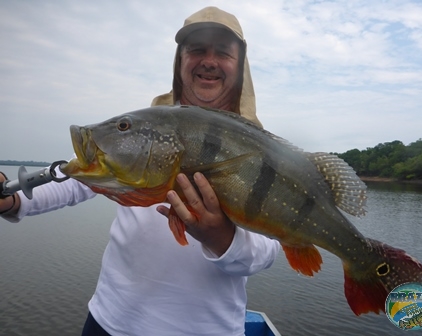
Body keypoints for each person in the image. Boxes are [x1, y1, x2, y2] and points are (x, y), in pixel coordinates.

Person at [0, 6, 280, 336]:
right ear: (180, 61)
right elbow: (74, 176)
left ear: (240, 65)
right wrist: (11, 197)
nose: (209, 60)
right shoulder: (144, 129)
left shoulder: (259, 150)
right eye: (196, 49)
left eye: (222, 51)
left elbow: (268, 250)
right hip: (108, 321)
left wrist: (220, 236)